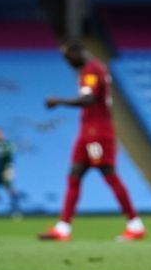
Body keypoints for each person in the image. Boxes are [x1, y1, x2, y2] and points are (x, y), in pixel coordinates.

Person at [38, 40, 145, 242]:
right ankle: (63, 227)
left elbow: (88, 99)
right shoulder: (93, 69)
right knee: (74, 174)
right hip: (87, 131)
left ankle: (135, 224)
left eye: (69, 59)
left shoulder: (91, 70)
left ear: (77, 53)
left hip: (97, 132)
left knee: (109, 174)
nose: (69, 64)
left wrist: (57, 101)